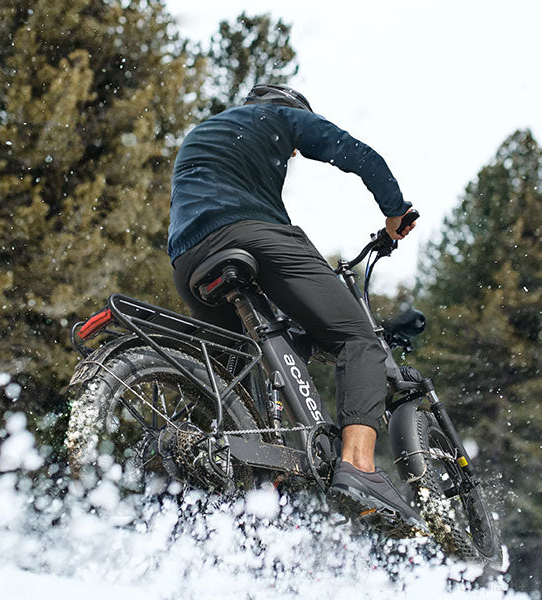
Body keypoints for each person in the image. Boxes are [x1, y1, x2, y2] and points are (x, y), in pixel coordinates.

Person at [166, 83, 424, 531]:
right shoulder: (280, 118)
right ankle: (359, 466)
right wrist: (395, 211)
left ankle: (264, 473)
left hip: (189, 259)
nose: (293, 159)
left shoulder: (202, 132)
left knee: (243, 367)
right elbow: (357, 154)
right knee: (357, 339)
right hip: (251, 234)